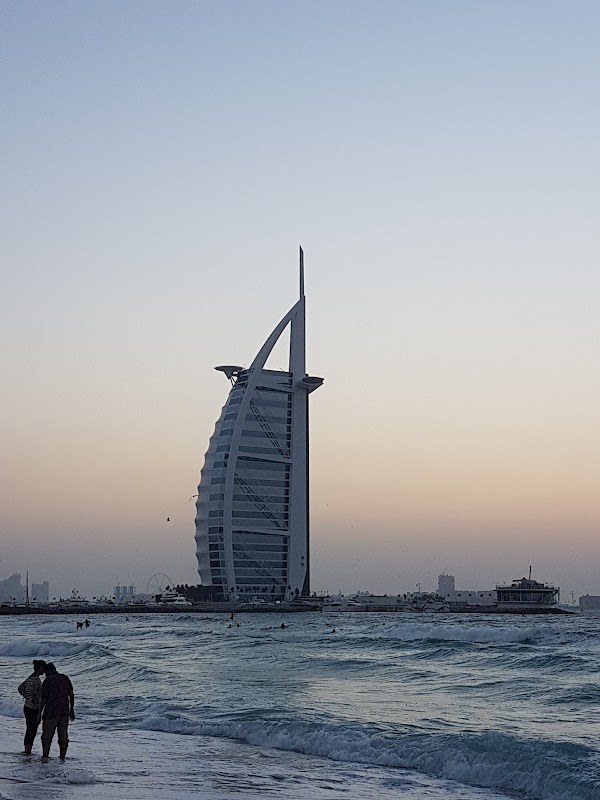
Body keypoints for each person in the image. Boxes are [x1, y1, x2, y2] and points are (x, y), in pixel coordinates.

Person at [39, 663, 75, 761]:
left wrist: (39, 713)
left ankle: (45, 757)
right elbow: (71, 694)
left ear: (48, 671)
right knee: (63, 737)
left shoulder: (48, 680)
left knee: (46, 738)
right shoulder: (65, 678)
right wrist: (72, 710)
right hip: (64, 712)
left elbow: (44, 699)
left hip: (50, 712)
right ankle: (62, 758)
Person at [18, 659, 46, 755]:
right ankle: (27, 751)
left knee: (30, 729)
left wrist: (26, 696)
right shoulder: (35, 680)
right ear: (40, 668)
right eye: (43, 668)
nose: (44, 670)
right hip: (33, 708)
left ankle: (27, 750)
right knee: (32, 730)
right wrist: (33, 698)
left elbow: (20, 688)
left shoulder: (30, 678)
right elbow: (34, 693)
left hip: (27, 706)